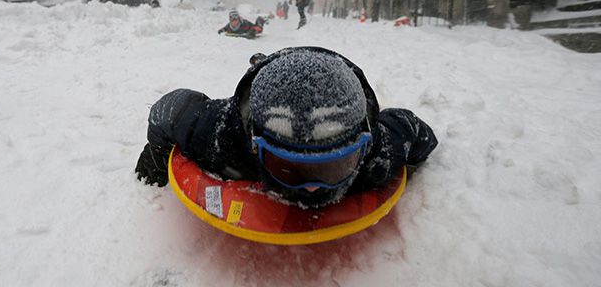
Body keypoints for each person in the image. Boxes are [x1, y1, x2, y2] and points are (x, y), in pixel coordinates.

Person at [135, 47, 438, 208]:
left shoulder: (376, 155)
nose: (311, 187)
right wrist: (157, 154)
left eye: (333, 167)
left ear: (362, 149)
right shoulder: (224, 137)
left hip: (334, 76)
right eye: (287, 167)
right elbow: (170, 110)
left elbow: (413, 131)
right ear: (254, 146)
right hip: (273, 79)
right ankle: (263, 63)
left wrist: (419, 150)